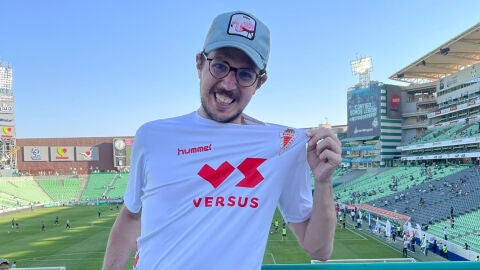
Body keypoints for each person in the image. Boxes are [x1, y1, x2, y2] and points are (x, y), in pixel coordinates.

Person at [102, 10, 341, 270]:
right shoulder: (152, 137)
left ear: (260, 82)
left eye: (245, 74)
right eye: (219, 65)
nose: (228, 83)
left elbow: (319, 248)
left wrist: (324, 181)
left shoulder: (282, 147)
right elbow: (129, 218)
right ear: (199, 64)